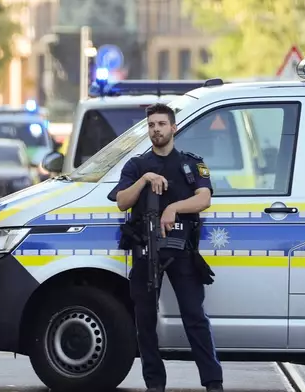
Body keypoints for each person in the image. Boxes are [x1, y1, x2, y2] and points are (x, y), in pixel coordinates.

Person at [107, 103, 224, 392]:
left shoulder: (190, 163)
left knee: (194, 318)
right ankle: (155, 384)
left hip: (181, 251)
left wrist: (172, 208)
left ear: (173, 128)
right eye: (151, 125)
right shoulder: (137, 165)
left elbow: (204, 198)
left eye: (161, 124)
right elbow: (122, 200)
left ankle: (213, 383)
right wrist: (145, 180)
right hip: (146, 251)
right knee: (145, 323)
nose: (156, 129)